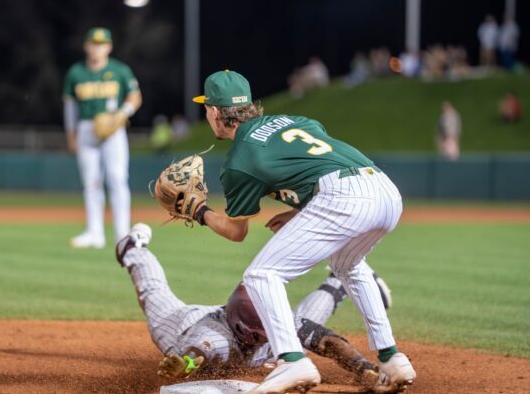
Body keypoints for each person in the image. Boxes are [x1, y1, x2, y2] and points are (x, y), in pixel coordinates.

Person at [190, 70, 416, 393]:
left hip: (343, 198)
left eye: (206, 109)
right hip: (384, 189)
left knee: (262, 274)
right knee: (347, 265)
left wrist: (199, 212)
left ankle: (293, 361)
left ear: (214, 113)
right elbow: (316, 158)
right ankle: (392, 359)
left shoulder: (239, 158)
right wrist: (305, 209)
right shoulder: (293, 120)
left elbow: (236, 231)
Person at [115, 223, 400, 393]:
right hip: (179, 324)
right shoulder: (215, 337)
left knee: (305, 322)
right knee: (153, 290)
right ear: (249, 332)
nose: (275, 329)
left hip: (236, 323)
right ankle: (132, 247)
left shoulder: (261, 316)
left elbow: (326, 340)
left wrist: (365, 369)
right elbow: (197, 352)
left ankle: (339, 283)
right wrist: (184, 363)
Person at [63, 27, 142, 249]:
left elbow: (135, 96)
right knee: (91, 182)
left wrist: (122, 113)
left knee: (117, 178)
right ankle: (94, 232)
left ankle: (122, 233)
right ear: (86, 45)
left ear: (109, 46)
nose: (97, 48)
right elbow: (70, 106)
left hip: (114, 127)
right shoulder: (76, 72)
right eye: (93, 43)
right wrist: (71, 134)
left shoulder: (120, 70)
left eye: (101, 44)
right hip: (86, 127)